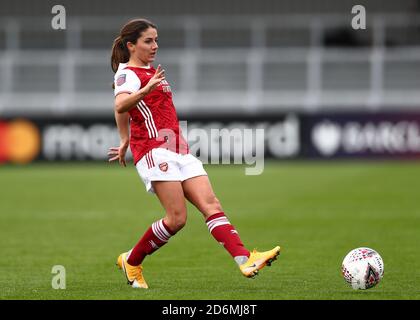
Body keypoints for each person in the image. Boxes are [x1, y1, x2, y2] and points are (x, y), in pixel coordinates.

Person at [108, 18, 280, 289]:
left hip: (179, 148)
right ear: (131, 45)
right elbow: (120, 104)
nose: (155, 46)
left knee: (212, 205)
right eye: (148, 41)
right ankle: (132, 261)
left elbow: (125, 109)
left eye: (156, 40)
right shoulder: (127, 73)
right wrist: (143, 96)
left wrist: (123, 137)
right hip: (154, 151)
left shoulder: (150, 72)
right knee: (176, 219)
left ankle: (245, 259)